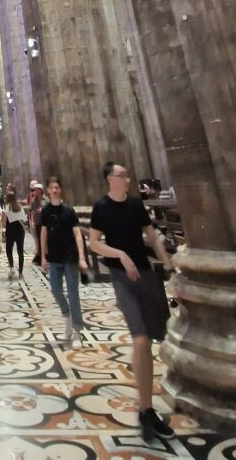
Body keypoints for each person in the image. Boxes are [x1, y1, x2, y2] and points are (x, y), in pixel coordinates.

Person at [89, 161, 175, 445]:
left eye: (126, 175)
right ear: (109, 179)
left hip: (146, 275)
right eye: (121, 175)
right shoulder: (101, 207)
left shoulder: (137, 205)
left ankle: (146, 408)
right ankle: (145, 408)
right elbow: (94, 243)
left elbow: (152, 237)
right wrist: (120, 255)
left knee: (150, 340)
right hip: (121, 277)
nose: (126, 179)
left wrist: (169, 265)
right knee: (139, 338)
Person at [40, 175, 88, 341]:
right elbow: (43, 232)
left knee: (73, 292)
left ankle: (77, 331)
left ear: (60, 189)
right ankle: (67, 314)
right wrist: (43, 256)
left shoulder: (69, 210)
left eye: (57, 187)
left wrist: (82, 256)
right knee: (55, 289)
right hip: (53, 256)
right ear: (48, 190)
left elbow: (77, 233)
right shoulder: (45, 211)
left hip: (70, 256)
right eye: (52, 187)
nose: (54, 190)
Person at [2, 188, 28, 278]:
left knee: (9, 250)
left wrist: (3, 231)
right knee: (20, 251)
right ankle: (21, 273)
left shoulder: (7, 207)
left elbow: (4, 221)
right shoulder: (19, 206)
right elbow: (24, 219)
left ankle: (12, 267)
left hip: (10, 230)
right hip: (20, 231)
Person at [29, 182, 44, 263]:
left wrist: (42, 210)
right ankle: (40, 256)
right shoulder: (33, 200)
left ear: (40, 190)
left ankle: (45, 256)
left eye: (35, 190)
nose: (34, 191)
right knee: (38, 240)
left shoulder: (46, 199)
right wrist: (32, 221)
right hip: (38, 222)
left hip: (45, 223)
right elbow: (32, 211)